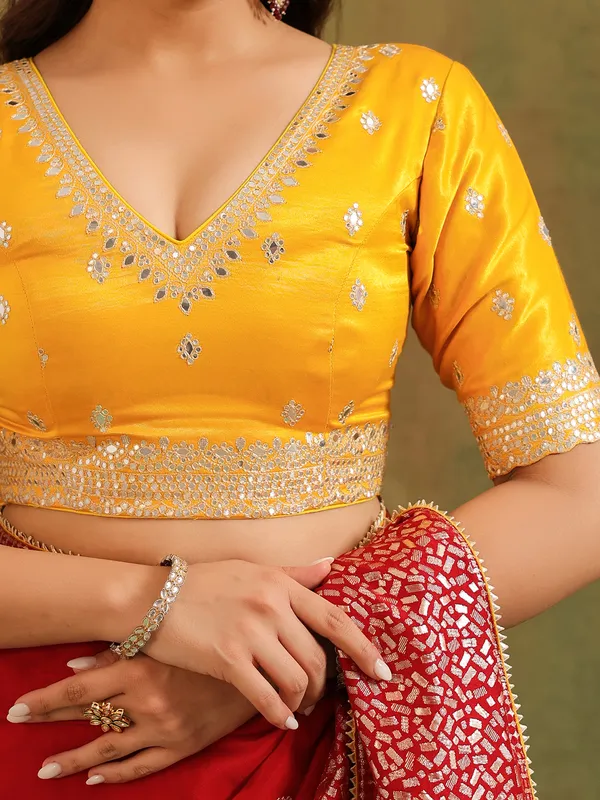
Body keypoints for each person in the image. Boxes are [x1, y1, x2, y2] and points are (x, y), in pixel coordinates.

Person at [0, 0, 598, 796]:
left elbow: (578, 494)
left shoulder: (413, 108)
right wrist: (155, 604)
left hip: (323, 734)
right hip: (42, 726)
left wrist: (288, 655)